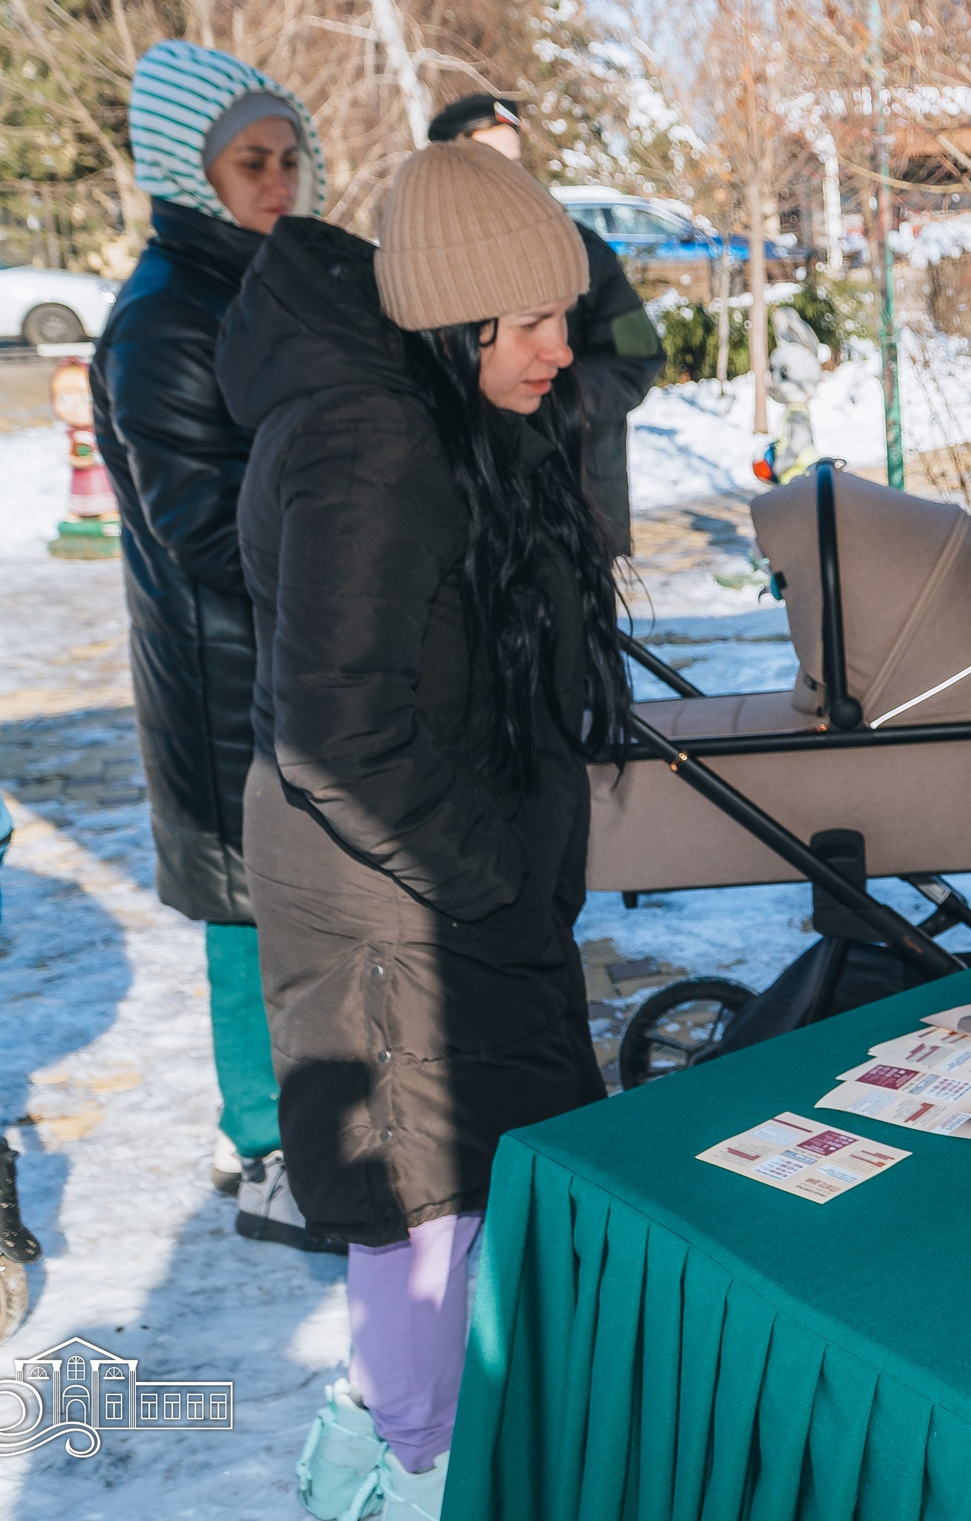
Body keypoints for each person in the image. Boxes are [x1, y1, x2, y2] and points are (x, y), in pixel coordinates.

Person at [217, 141, 623, 1518]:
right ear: (452, 321)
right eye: (531, 321)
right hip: (394, 903)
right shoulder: (371, 442)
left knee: (462, 1203)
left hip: (434, 880)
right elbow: (337, 729)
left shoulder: (438, 416)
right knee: (422, 1213)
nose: (559, 348)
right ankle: (414, 1477)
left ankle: (400, 1459)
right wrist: (495, 872)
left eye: (564, 315)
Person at [90, 40, 336, 1252]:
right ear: (190, 170)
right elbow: (204, 529)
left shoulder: (262, 286)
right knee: (249, 928)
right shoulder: (165, 322)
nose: (278, 181)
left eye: (290, 157)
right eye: (251, 162)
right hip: (221, 687)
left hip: (285, 670)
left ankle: (307, 1132)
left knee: (297, 918)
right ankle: (266, 1156)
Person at [427, 92, 661, 553]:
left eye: (513, 162)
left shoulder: (580, 249)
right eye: (489, 161)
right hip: (470, 510)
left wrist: (552, 392)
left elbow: (638, 357)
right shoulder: (427, 261)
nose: (508, 176)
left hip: (577, 501)